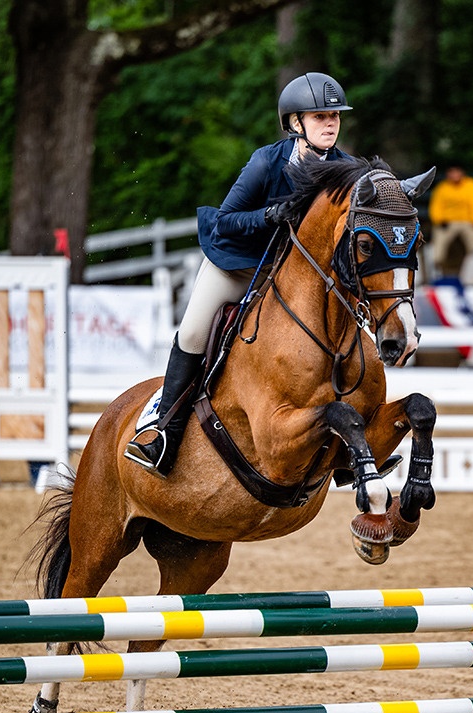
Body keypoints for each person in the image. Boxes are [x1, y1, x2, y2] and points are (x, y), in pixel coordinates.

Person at [124, 72, 353, 478]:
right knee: (194, 332)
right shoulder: (266, 161)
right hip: (238, 263)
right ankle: (164, 433)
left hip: (292, 275)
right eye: (320, 116)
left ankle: (350, 447)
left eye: (334, 115)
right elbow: (226, 221)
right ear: (296, 123)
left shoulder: (345, 169)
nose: (331, 122)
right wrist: (269, 216)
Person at [428, 166, 473, 275]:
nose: (454, 175)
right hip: (447, 222)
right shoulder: (442, 188)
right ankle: (436, 267)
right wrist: (439, 220)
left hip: (468, 221)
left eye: (456, 172)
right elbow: (436, 206)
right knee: (438, 240)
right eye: (451, 173)